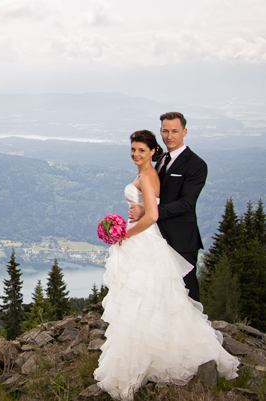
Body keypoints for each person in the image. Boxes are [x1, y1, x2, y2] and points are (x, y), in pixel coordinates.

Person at [93, 130, 238, 400]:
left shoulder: (148, 176)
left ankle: (147, 355)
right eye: (133, 149)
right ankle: (144, 351)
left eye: (141, 150)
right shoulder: (148, 172)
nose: (136, 154)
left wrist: (125, 234)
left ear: (152, 151)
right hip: (142, 237)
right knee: (144, 298)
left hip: (143, 238)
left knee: (143, 298)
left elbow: (153, 215)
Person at [129, 112, 206, 301]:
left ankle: (194, 328)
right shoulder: (161, 160)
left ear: (184, 132)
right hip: (158, 235)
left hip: (182, 237)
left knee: (186, 287)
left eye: (175, 131)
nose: (169, 136)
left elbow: (187, 203)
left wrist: (147, 212)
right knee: (163, 288)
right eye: (165, 131)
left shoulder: (196, 165)